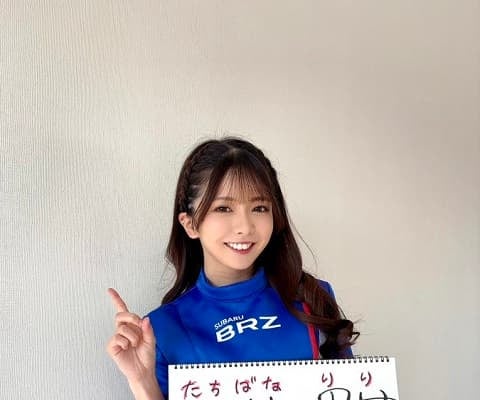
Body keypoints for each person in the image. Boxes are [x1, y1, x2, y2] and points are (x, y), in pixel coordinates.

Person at [107, 137, 358, 400]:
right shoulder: (160, 329)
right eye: (224, 208)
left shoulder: (313, 298)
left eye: (259, 207)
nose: (245, 227)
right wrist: (142, 381)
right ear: (190, 224)